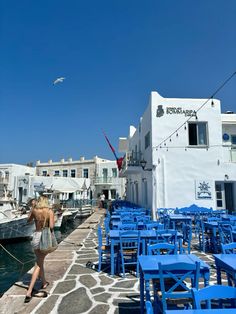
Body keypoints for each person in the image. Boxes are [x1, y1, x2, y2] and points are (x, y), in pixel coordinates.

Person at [24, 195, 55, 303]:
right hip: (44, 238)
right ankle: (29, 291)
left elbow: (28, 220)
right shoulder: (49, 211)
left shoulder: (35, 210)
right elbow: (51, 227)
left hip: (36, 237)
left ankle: (44, 282)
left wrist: (32, 213)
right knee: (38, 264)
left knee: (40, 261)